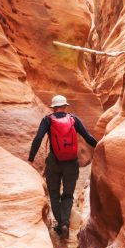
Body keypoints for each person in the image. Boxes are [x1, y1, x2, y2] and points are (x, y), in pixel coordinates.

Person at [28, 94, 98, 239]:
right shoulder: (74, 119)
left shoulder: (47, 120)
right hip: (72, 163)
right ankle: (65, 224)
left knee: (54, 194)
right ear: (65, 106)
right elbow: (87, 137)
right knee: (68, 194)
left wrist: (31, 159)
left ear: (53, 108)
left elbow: (38, 138)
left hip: (54, 162)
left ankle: (60, 224)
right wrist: (100, 146)